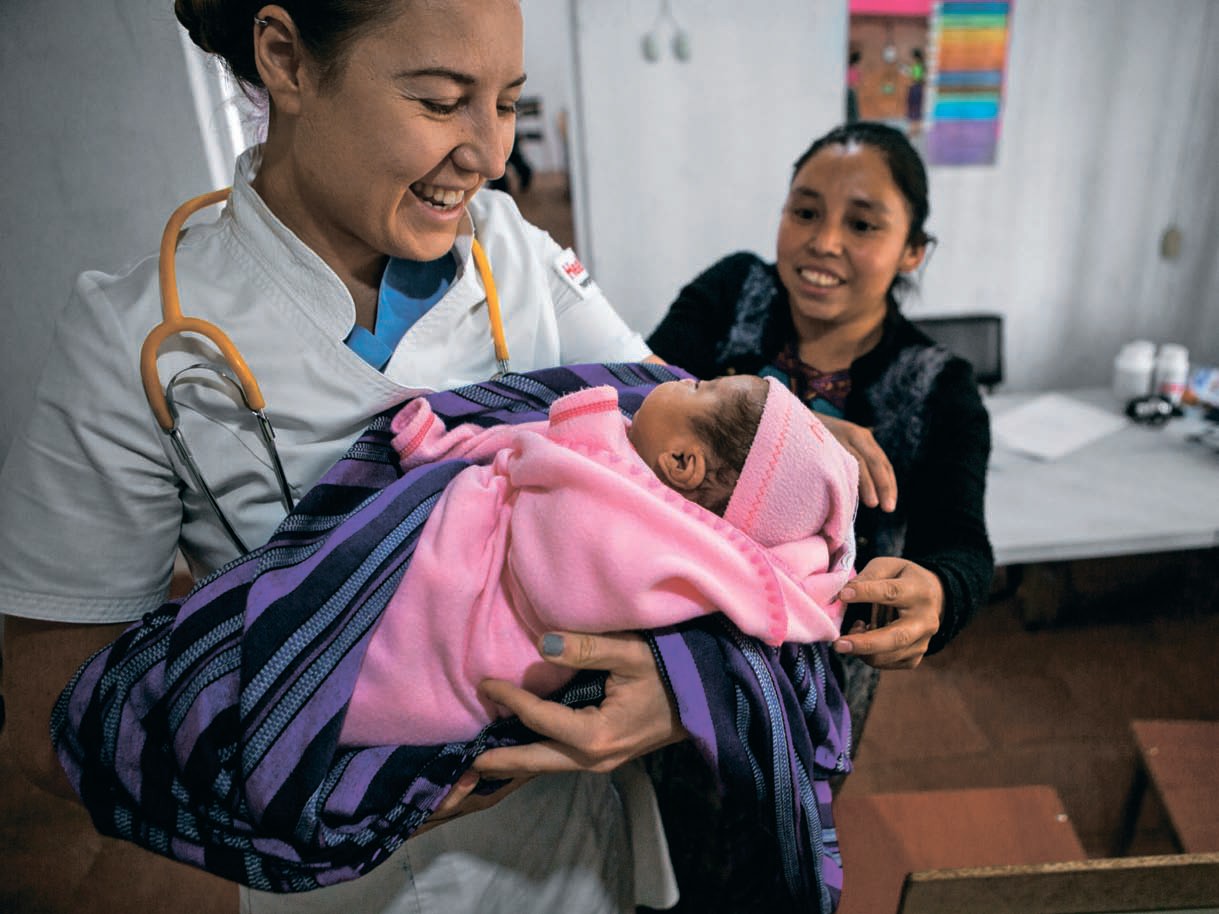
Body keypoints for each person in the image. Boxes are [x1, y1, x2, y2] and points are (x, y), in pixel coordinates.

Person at [0, 3, 688, 913]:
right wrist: (330, 801)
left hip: (568, 845)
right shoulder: (132, 341)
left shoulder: (513, 255)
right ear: (286, 59)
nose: (489, 155)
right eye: (440, 102)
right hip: (343, 880)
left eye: (507, 104)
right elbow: (50, 720)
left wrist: (675, 690)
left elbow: (689, 459)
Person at [647, 120, 994, 718]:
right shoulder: (733, 293)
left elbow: (960, 544)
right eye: (805, 213)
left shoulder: (940, 388)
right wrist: (791, 425)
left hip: (809, 692)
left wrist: (937, 592)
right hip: (662, 644)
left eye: (862, 225)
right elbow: (636, 388)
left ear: (913, 250)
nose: (824, 241)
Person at [342, 374, 857, 745]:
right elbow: (519, 446)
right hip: (467, 667)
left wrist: (451, 451)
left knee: (368, 658)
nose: (684, 377)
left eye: (700, 387)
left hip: (456, 630)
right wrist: (439, 446)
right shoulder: (633, 479)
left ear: (683, 462)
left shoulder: (634, 533)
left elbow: (553, 566)